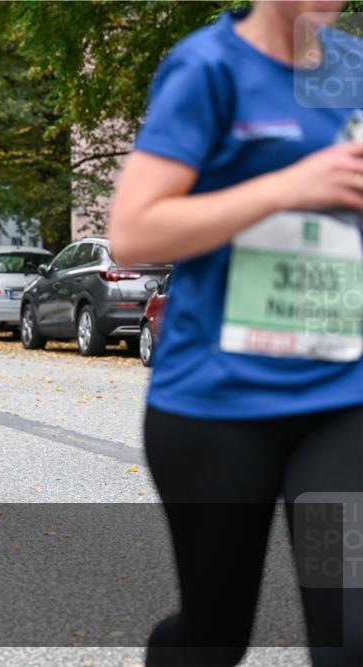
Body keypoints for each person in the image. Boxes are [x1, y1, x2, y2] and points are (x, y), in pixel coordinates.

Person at [107, 3, 362, 665]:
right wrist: (286, 186)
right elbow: (134, 232)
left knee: (351, 631)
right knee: (213, 638)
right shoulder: (209, 68)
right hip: (217, 407)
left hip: (338, 403)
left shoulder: (353, 72)